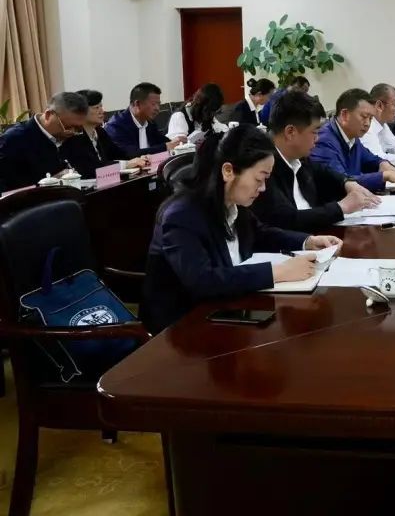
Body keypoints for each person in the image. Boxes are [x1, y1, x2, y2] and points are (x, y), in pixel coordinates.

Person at [141, 125, 342, 333]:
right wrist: (278, 272)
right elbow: (203, 281)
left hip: (229, 312)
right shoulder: (181, 216)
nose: (263, 188)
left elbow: (261, 233)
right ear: (228, 171)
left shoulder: (232, 203)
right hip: (182, 329)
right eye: (259, 179)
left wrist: (308, 241)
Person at [251, 91, 379, 231]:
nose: (317, 139)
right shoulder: (263, 168)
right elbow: (285, 219)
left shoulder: (300, 159)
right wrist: (341, 208)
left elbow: (322, 170)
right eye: (315, 132)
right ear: (290, 132)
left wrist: (347, 183)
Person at [310, 88, 395, 192]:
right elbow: (341, 182)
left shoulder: (353, 136)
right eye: (364, 117)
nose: (367, 123)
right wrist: (384, 176)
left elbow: (370, 160)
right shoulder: (323, 140)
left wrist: (384, 164)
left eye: (371, 118)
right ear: (345, 115)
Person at [0, 92, 87, 191]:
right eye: (67, 127)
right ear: (48, 115)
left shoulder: (72, 136)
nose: (72, 132)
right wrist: (50, 183)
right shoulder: (14, 140)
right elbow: (7, 188)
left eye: (78, 128)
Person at [61, 90, 149, 177]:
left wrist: (140, 158)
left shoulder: (99, 131)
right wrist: (126, 164)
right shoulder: (75, 137)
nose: (102, 111)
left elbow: (119, 154)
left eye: (101, 106)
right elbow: (92, 167)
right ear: (82, 112)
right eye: (96, 108)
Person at [104, 82, 184, 157]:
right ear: (137, 104)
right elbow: (130, 154)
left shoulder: (149, 122)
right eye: (153, 104)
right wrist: (165, 147)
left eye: (158, 104)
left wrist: (178, 143)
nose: (157, 108)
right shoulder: (116, 126)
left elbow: (164, 142)